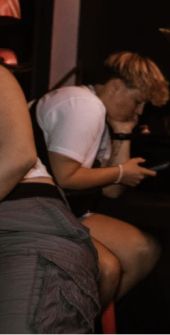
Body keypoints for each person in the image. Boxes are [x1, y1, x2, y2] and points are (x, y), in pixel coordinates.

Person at [23, 51, 169, 307]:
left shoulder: (97, 111)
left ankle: (84, 321)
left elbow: (112, 192)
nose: (139, 111)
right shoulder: (82, 104)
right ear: (116, 86)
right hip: (29, 207)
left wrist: (122, 134)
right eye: (137, 101)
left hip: (60, 208)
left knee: (143, 251)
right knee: (108, 270)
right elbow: (66, 177)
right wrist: (123, 172)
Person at [0, 65, 100, 333]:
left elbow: (19, 157)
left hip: (20, 215)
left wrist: (122, 163)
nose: (138, 110)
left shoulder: (86, 105)